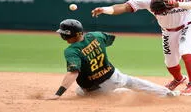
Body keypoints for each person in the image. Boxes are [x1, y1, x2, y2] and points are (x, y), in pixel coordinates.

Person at [91, 0, 191, 96]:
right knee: (170, 63)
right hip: (168, 32)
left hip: (188, 26)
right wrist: (105, 9)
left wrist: (176, 4)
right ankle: (178, 79)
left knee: (185, 50)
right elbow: (125, 6)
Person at [46, 19, 180, 100]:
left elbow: (73, 73)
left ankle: (122, 95)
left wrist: (58, 94)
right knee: (134, 82)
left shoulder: (71, 51)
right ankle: (166, 93)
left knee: (80, 92)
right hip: (114, 76)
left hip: (95, 90)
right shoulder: (95, 36)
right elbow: (110, 38)